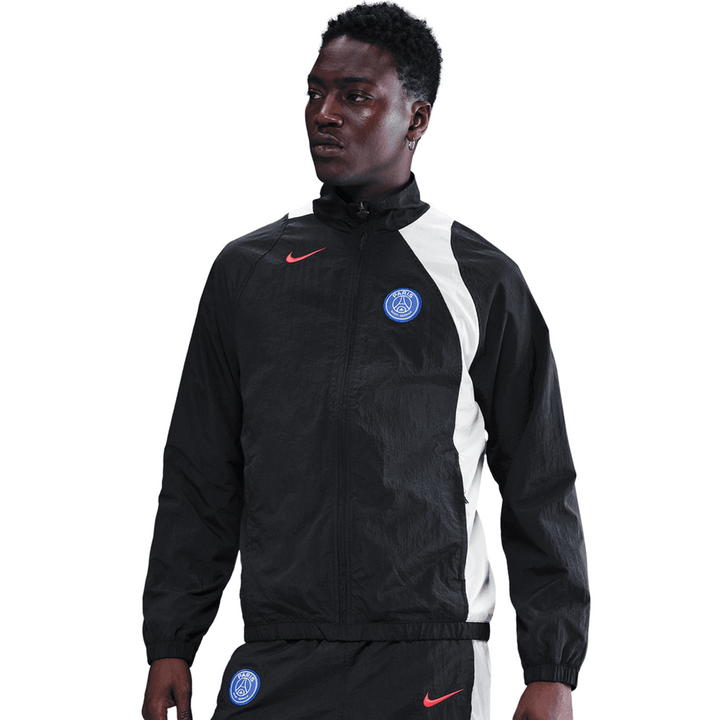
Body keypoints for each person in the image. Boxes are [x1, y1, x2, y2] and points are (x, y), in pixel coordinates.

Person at [141, 3, 589, 719]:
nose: (324, 115)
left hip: (429, 655)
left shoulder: (479, 278)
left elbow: (540, 480)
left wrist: (552, 667)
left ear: (416, 118)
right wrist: (172, 639)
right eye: (315, 93)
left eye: (355, 96)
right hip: (279, 651)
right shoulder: (247, 271)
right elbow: (201, 471)